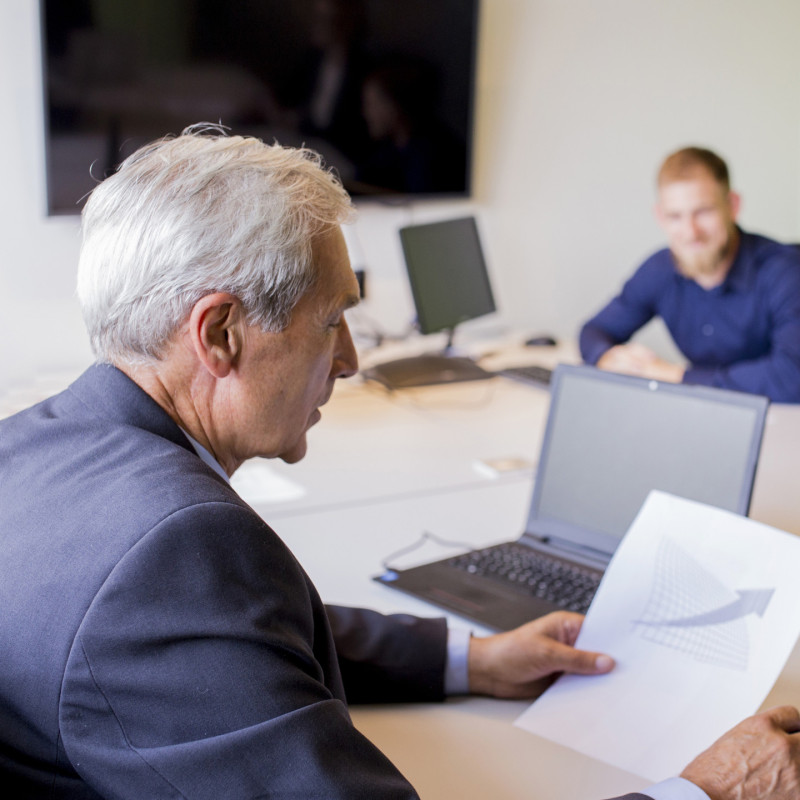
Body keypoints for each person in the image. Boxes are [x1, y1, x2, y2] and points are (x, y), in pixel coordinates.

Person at [0, 128, 798, 799]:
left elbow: (235, 633)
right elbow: (195, 607)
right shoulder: (176, 552)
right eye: (332, 320)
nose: (350, 359)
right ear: (219, 334)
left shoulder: (26, 445)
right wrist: (707, 790)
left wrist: (470, 660)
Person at [579, 146, 800, 402]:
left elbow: (792, 376)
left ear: (732, 205)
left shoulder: (785, 271)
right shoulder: (659, 270)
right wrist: (608, 358)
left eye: (703, 212)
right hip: (703, 411)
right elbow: (594, 331)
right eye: (675, 216)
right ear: (660, 217)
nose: (690, 232)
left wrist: (678, 376)